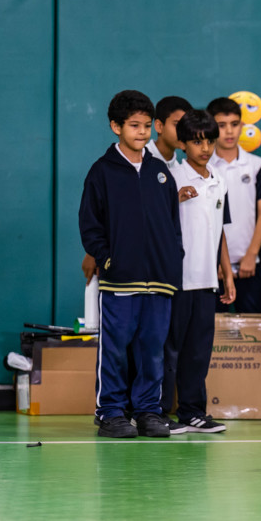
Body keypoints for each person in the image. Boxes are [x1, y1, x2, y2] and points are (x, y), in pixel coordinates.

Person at [78, 90, 182, 438]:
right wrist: (109, 259)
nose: (142, 132)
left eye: (147, 125)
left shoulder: (161, 172)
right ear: (115, 127)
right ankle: (110, 411)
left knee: (153, 350)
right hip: (120, 280)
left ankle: (148, 411)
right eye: (134, 125)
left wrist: (172, 260)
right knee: (116, 350)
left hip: (160, 280)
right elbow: (90, 226)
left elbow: (172, 224)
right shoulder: (101, 172)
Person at [162, 109, 236, 434]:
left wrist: (227, 273)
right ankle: (160, 411)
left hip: (207, 281)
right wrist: (173, 201)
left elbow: (220, 231)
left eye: (209, 141)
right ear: (182, 144)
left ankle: (192, 411)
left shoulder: (220, 181)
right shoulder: (170, 178)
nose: (204, 148)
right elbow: (155, 226)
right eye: (196, 142)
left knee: (198, 352)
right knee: (169, 351)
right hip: (176, 281)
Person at [207, 96, 261, 313]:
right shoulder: (203, 166)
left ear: (242, 126)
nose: (229, 131)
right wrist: (214, 261)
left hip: (250, 265)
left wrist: (251, 255)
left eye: (234, 124)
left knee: (254, 335)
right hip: (212, 267)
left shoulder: (257, 166)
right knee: (212, 337)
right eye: (221, 125)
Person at [147, 95, 192, 169]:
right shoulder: (139, 159)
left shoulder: (177, 167)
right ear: (159, 126)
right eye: (177, 125)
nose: (184, 131)